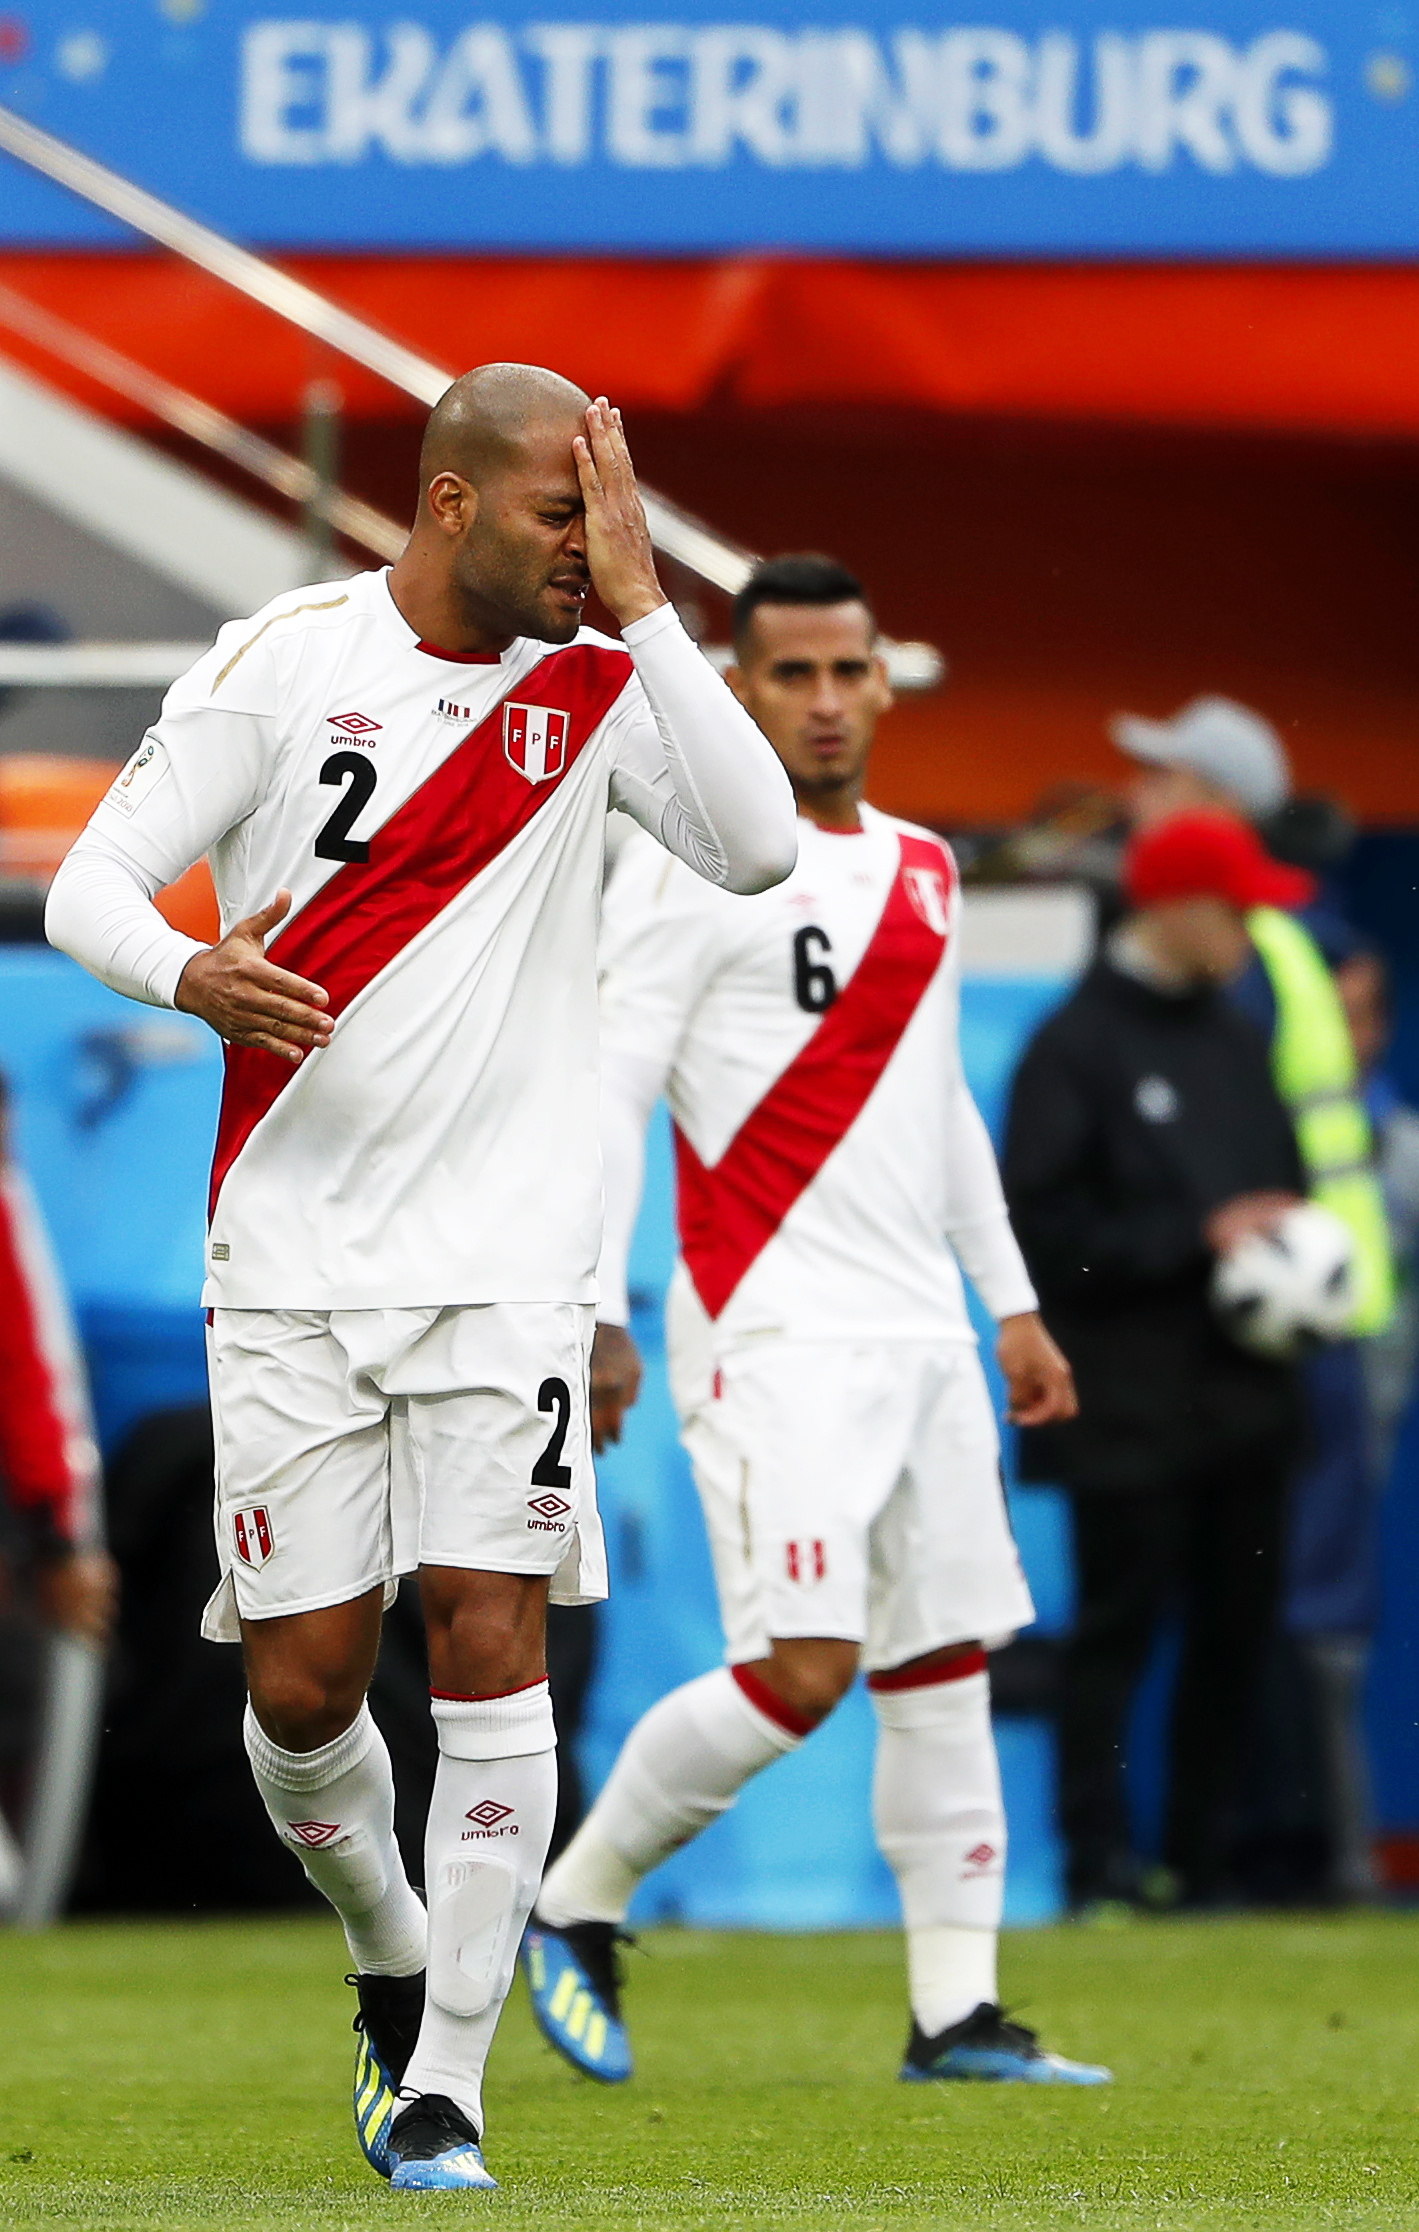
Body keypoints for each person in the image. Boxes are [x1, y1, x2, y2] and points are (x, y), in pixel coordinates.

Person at [44, 370, 796, 2191]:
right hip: (293, 1258)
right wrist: (185, 972)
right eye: (565, 513)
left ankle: (447, 2076)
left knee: (488, 1635)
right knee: (305, 1691)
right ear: (448, 502)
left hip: (510, 1267)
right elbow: (90, 886)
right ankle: (392, 1952)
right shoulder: (280, 663)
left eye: (606, 516)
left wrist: (642, 602)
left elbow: (760, 843)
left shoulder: (608, 678)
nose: (592, 544)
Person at [523, 552, 1109, 2089]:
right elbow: (612, 1093)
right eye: (793, 674)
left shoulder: (924, 867)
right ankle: (575, 1900)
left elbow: (937, 1115)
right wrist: (597, 1307)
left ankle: (952, 2013)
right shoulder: (683, 864)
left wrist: (1013, 1304)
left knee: (941, 1663)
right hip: (771, 1332)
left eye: (852, 671)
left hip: (923, 1336)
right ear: (736, 687)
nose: (830, 701)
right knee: (802, 1668)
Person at [1003, 811, 1312, 1912]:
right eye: (1236, 908)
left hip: (1245, 1399)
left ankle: (1204, 1861)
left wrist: (1285, 1247)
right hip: (1126, 1408)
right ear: (1173, 907)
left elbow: (1279, 1186)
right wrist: (1196, 1239)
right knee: (1117, 1637)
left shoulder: (1234, 1038)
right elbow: (1043, 1232)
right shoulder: (1072, 1046)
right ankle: (1099, 1866)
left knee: (1237, 1638)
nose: (1251, 929)